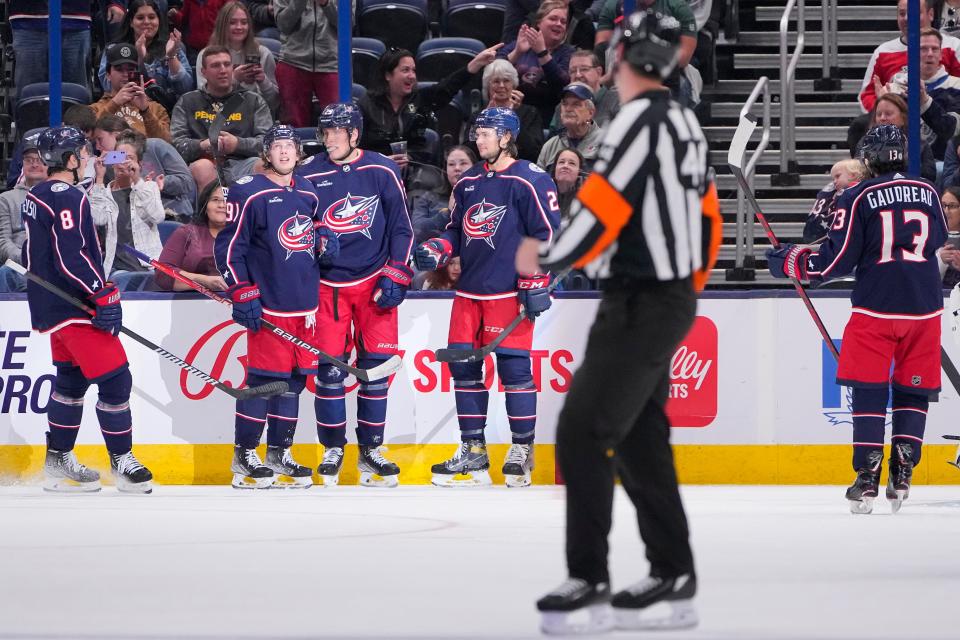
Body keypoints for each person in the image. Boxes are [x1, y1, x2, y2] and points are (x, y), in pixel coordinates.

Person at [520, 10, 710, 633]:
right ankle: (673, 567)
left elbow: (600, 205)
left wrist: (544, 254)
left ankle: (590, 576)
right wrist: (685, 287)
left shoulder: (640, 120)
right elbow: (702, 216)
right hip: (663, 294)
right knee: (637, 435)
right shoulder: (683, 118)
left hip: (643, 300)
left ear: (627, 63)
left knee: (581, 430)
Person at [767, 125, 948, 515]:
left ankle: (867, 477)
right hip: (925, 306)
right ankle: (902, 471)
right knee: (912, 390)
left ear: (869, 158)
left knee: (869, 390)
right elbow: (937, 239)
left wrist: (790, 261)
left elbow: (835, 261)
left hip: (876, 308)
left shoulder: (857, 195)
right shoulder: (930, 191)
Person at [413, 107, 560, 488]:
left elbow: (546, 235)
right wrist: (439, 248)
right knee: (463, 370)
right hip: (468, 294)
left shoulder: (530, 179)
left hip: (509, 292)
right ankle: (474, 453)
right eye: (477, 133)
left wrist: (537, 280)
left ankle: (522, 451)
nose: (478, 140)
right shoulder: (468, 183)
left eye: (486, 134)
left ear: (507, 137)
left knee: (515, 373)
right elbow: (455, 232)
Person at [22, 126, 154, 493]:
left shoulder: (39, 193)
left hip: (51, 306)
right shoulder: (68, 197)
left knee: (71, 381)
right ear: (68, 159)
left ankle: (58, 461)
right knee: (116, 380)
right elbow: (72, 256)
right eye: (82, 153)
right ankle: (122, 463)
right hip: (74, 305)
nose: (88, 158)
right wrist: (101, 292)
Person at [214, 125, 339, 489]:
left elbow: (315, 231)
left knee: (294, 383)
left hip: (306, 307)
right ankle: (245, 454)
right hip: (269, 304)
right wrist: (242, 290)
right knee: (264, 381)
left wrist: (326, 241)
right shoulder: (247, 192)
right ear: (267, 153)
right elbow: (229, 247)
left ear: (298, 153)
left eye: (290, 146)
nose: (285, 152)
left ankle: (279, 452)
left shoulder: (308, 191)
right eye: (277, 146)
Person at [298, 103, 414, 488]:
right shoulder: (308, 173)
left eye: (337, 132)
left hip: (374, 284)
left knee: (376, 372)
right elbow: (297, 227)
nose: (329, 138)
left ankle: (371, 451)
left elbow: (402, 228)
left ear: (355, 134)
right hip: (327, 288)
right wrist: (314, 240)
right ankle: (333, 449)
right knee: (329, 373)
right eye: (325, 131)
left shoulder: (382, 169)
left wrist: (398, 271)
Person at [358, 45, 503, 171]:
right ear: (388, 75)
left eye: (414, 70)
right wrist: (382, 161)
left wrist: (476, 63)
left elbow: (447, 87)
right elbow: (357, 151)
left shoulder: (419, 100)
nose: (412, 76)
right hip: (375, 172)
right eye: (405, 70)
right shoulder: (366, 106)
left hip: (415, 174)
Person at [171, 45, 273, 190]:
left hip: (243, 162)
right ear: (203, 72)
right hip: (205, 161)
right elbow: (177, 144)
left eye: (227, 64)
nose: (223, 70)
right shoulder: (188, 101)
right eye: (215, 66)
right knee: (203, 167)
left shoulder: (253, 100)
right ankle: (210, 212)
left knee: (266, 165)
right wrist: (202, 145)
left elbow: (268, 143)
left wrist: (237, 144)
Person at [860, 0, 960, 113]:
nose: (907, 18)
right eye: (902, 14)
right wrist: (884, 112)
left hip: (943, 123)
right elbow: (867, 96)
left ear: (930, 14)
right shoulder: (882, 52)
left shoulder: (953, 46)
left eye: (915, 12)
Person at [94, 135, 166, 279]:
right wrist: (99, 178)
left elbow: (157, 217)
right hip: (120, 270)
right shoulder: (104, 192)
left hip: (151, 266)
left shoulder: (149, 187)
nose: (124, 163)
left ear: (139, 163)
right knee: (121, 279)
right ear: (112, 161)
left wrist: (137, 180)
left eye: (130, 158)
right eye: (119, 157)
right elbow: (98, 219)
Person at [273, 0, 352, 127]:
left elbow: (347, 25)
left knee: (339, 122)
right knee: (293, 123)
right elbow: (283, 24)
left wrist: (326, 4)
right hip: (293, 60)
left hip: (331, 62)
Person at [99, 0, 194, 103]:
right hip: (126, 109)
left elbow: (186, 89)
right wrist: (138, 58)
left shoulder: (173, 46)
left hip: (164, 111)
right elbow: (107, 86)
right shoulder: (113, 49)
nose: (147, 22)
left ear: (159, 21)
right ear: (131, 22)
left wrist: (171, 56)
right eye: (140, 18)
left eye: (152, 17)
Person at [498, 0, 576, 123]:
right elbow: (494, 72)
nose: (559, 24)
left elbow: (562, 83)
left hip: (548, 116)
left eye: (563, 21)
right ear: (539, 22)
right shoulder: (519, 45)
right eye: (553, 19)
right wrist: (517, 52)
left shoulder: (568, 52)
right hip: (512, 110)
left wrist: (542, 53)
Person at [196, 2, 280, 114]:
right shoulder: (206, 55)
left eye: (244, 22)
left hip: (255, 116)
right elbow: (203, 100)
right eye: (232, 23)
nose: (239, 27)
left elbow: (275, 102)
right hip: (219, 117)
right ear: (223, 25)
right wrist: (234, 79)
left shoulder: (263, 53)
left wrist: (263, 81)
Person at [8, 0, 100, 95]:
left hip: (75, 19)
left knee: (76, 93)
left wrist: (113, 3)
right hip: (27, 20)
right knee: (28, 93)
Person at [464, 59, 545, 163]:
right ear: (488, 87)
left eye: (506, 81)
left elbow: (534, 152)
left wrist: (511, 118)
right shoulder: (478, 116)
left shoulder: (530, 113)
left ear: (514, 85)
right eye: (496, 81)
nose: (501, 85)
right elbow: (469, 153)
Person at [154, 181, 229, 291]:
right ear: (205, 205)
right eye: (215, 200)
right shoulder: (186, 233)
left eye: (228, 200)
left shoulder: (248, 235)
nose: (222, 205)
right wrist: (203, 281)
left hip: (239, 302)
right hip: (191, 301)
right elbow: (162, 273)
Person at [91, 43, 173, 142]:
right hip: (112, 156)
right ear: (108, 75)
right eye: (119, 69)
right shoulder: (95, 109)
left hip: (147, 156)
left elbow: (165, 143)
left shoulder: (155, 108)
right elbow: (89, 136)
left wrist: (145, 111)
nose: (125, 74)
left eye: (130, 70)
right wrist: (114, 104)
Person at [847, 93, 938, 182]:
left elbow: (929, 175)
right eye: (879, 114)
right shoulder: (864, 142)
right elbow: (858, 172)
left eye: (888, 114)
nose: (882, 118)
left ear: (903, 118)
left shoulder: (918, 142)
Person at [0, 131, 47, 293]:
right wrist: (25, 257)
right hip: (19, 266)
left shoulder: (59, 196)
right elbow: (3, 241)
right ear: (23, 165)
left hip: (51, 266)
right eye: (29, 160)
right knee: (5, 273)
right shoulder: (6, 199)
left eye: (39, 160)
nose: (34, 164)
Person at [409, 145, 478, 244]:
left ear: (474, 167)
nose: (457, 168)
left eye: (463, 163)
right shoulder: (429, 197)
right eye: (451, 164)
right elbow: (417, 230)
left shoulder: (483, 196)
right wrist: (448, 213)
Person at [537, 82, 605, 170]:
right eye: (565, 104)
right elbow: (538, 181)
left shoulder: (604, 142)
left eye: (576, 104)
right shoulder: (550, 146)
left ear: (590, 113)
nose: (568, 109)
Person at [549, 49, 620, 129]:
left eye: (584, 69)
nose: (578, 75)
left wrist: (586, 122)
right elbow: (554, 136)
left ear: (599, 72)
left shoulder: (617, 100)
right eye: (573, 71)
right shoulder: (563, 106)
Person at [803, 158, 868, 243]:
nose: (834, 182)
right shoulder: (834, 194)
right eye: (833, 179)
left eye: (838, 176)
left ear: (854, 175)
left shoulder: (860, 194)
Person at [551, 147, 585, 223]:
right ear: (555, 168)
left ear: (579, 171)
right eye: (561, 162)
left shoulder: (584, 199)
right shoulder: (541, 192)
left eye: (572, 163)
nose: (565, 166)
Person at [938, 186, 960, 286]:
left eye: (952, 206)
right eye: (943, 205)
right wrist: (940, 260)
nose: (946, 211)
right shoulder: (930, 235)